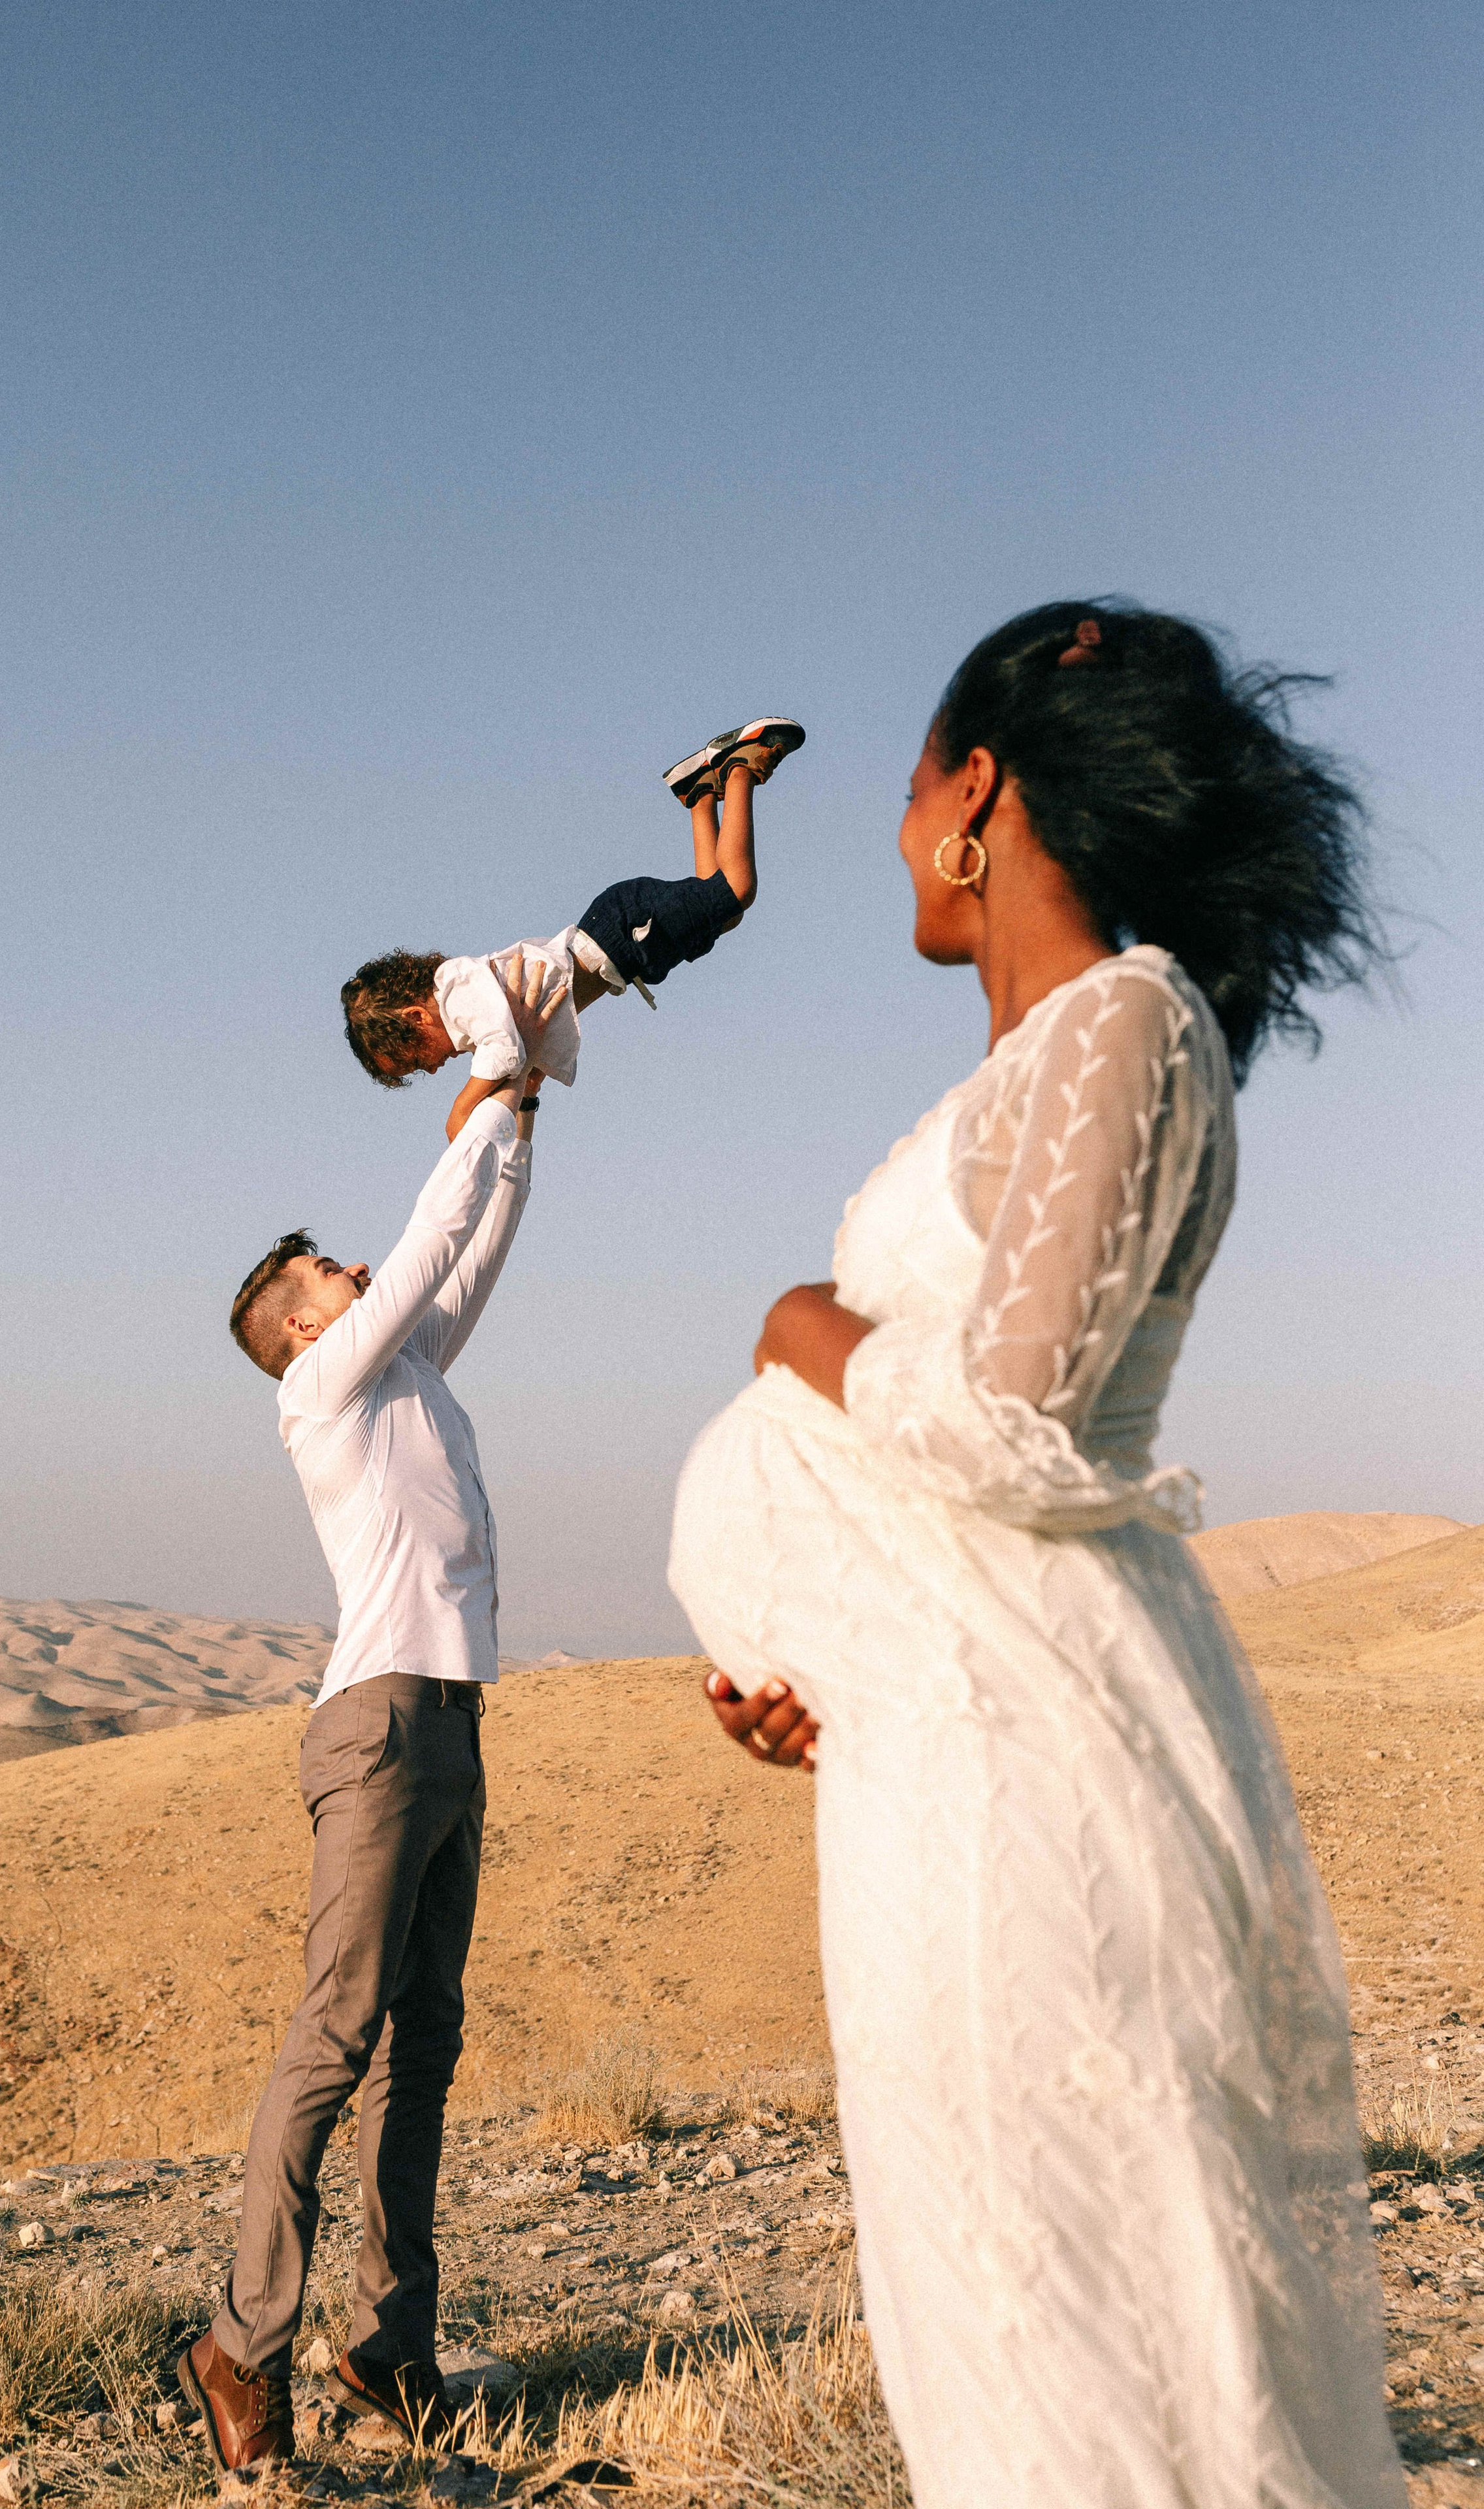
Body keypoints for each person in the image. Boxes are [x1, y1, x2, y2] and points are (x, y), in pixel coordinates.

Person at [668, 604, 1403, 2508]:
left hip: (1040, 1784)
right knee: (986, 2313)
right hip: (932, 1764)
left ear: (974, 791)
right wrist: (809, 1652)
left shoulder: (1128, 1020)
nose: (897, 825)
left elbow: (1023, 1424)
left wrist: (793, 1326)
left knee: (1090, 2316)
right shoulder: (1015, 1073)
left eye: (908, 783)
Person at [176, 958, 564, 2474]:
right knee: (337, 2035)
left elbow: (468, 1251)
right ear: (297, 1321)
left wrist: (516, 1110)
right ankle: (240, 2340)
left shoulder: (398, 1364)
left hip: (449, 1718)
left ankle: (386, 2344)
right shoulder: (320, 1388)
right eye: (329, 1271)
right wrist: (480, 1082)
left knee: (427, 2044)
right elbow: (422, 1240)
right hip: (381, 1725)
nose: (356, 1272)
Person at [339, 716, 803, 1138]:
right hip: (621, 946)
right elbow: (517, 1058)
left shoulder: (457, 995)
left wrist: (460, 1110)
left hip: (621, 930)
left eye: (416, 1059)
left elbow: (504, 1052)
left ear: (416, 1018)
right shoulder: (464, 1009)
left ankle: (739, 767)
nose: (431, 1069)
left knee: (736, 890)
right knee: (724, 910)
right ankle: (700, 792)